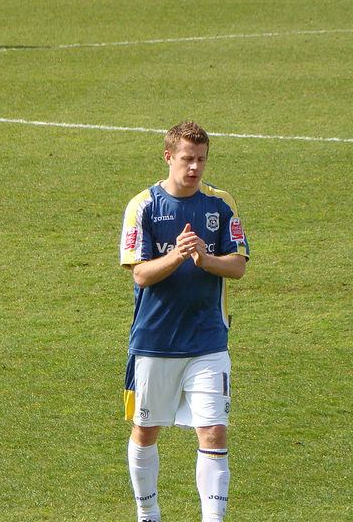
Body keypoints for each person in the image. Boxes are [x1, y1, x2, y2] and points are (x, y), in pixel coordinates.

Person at [119, 121, 250, 522]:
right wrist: (176, 256)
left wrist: (204, 259)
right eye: (187, 159)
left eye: (201, 160)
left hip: (208, 340)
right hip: (155, 341)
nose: (194, 168)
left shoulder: (220, 203)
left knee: (214, 431)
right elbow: (139, 273)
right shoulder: (143, 205)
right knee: (146, 432)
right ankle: (149, 513)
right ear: (169, 157)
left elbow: (239, 266)